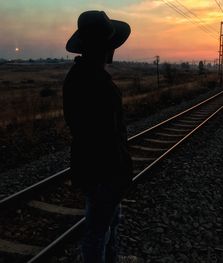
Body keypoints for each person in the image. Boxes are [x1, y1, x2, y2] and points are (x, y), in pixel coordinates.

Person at [63, 10, 133, 263]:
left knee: (109, 222)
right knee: (97, 231)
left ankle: (113, 258)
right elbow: (105, 136)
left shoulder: (81, 77)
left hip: (95, 168)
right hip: (104, 171)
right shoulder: (95, 82)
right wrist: (120, 173)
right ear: (106, 47)